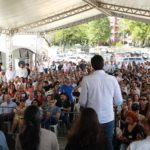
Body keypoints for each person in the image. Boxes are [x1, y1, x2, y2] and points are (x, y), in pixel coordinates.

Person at [79, 55, 123, 150]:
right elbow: (119, 101)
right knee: (107, 142)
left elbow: (82, 102)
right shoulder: (112, 79)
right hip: (108, 117)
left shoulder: (86, 79)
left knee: (92, 143)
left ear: (92, 65)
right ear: (103, 64)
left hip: (92, 118)